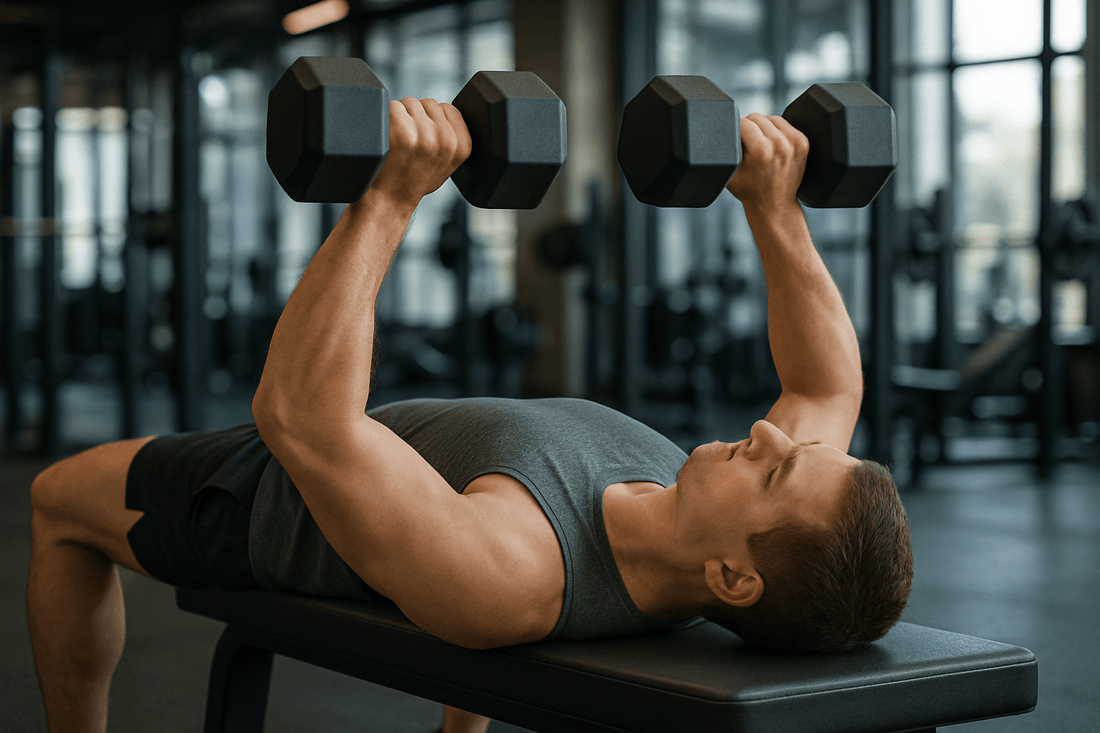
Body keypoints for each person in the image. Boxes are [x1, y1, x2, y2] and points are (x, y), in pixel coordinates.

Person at [27, 95, 913, 733]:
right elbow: (829, 385)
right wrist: (773, 207)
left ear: (731, 579)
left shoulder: (515, 566)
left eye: (776, 467)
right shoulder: (720, 521)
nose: (765, 433)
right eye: (789, 446)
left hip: (256, 490)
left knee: (57, 502)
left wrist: (389, 198)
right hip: (393, 470)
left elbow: (301, 416)